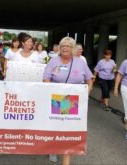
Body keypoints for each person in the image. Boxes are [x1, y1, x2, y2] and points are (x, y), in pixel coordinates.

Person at [43, 36, 93, 165]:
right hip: (57, 99)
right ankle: (53, 149)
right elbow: (46, 78)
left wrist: (86, 93)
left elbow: (89, 79)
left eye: (68, 46)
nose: (65, 48)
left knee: (69, 128)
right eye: (63, 46)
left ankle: (66, 157)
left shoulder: (81, 62)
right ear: (59, 48)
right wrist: (51, 91)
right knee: (56, 126)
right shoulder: (53, 61)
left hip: (74, 100)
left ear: (73, 49)